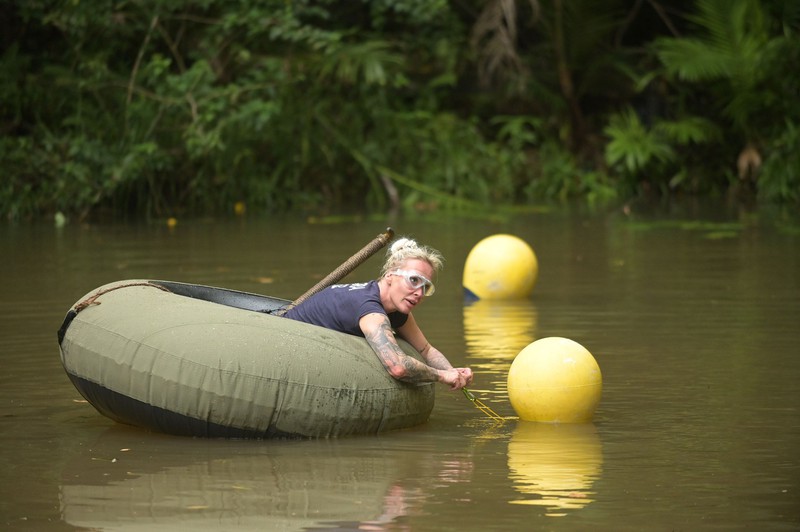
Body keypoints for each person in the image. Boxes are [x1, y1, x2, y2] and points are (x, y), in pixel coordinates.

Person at [284, 237, 473, 390]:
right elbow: (398, 367)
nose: (419, 293)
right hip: (286, 342)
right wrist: (441, 376)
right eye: (413, 280)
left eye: (426, 287)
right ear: (390, 275)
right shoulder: (371, 311)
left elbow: (425, 350)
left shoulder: (397, 308)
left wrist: (452, 371)